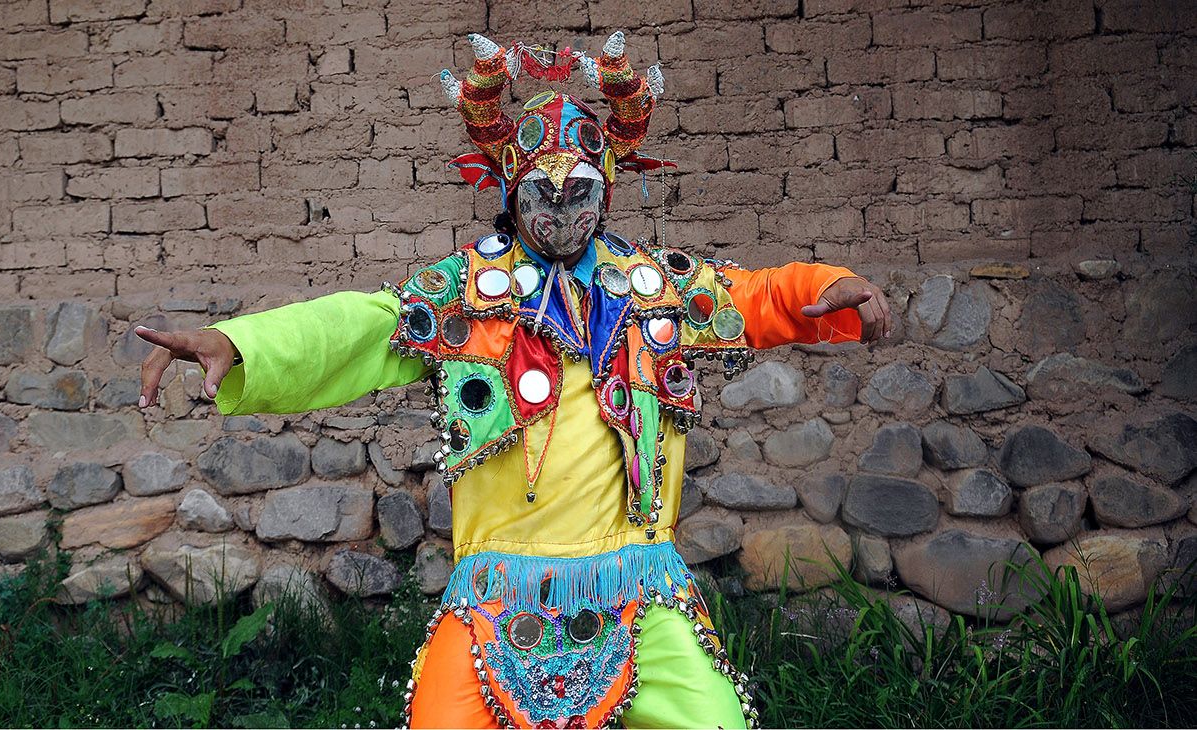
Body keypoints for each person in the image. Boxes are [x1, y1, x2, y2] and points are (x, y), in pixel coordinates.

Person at [136, 31, 890, 730]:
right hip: (495, 596)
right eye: (543, 195)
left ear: (609, 190)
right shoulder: (464, 294)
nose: (562, 213)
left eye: (580, 193)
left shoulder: (656, 288)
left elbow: (756, 297)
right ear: (510, 189)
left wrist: (833, 283)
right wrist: (241, 343)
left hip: (637, 586)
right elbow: (360, 327)